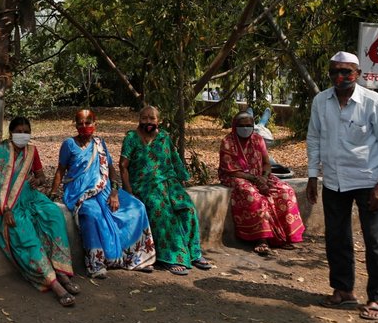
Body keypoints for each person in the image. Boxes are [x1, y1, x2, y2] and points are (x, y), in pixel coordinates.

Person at [307, 51, 378, 321]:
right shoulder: (321, 101)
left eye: (346, 72)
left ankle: (376, 298)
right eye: (334, 71)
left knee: (375, 241)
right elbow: (314, 138)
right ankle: (343, 290)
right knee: (336, 238)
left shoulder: (373, 102)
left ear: (357, 73)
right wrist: (313, 176)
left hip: (367, 181)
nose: (340, 77)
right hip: (334, 181)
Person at [0, 117, 80, 306]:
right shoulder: (2, 152)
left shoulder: (31, 151)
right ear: (11, 133)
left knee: (54, 215)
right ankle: (54, 283)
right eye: (19, 131)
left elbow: (40, 175)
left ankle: (62, 272)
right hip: (7, 204)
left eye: (26, 131)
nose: (23, 134)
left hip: (30, 196)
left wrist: (39, 180)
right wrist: (6, 209)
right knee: (25, 236)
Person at [53, 109, 156, 278]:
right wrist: (52, 193)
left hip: (106, 188)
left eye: (88, 123)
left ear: (95, 124)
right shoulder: (69, 145)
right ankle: (97, 263)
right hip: (80, 192)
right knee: (92, 214)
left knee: (137, 207)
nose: (84, 126)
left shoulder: (100, 143)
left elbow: (111, 169)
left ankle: (136, 258)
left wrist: (115, 191)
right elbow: (60, 170)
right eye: (80, 123)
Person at [119, 106, 213, 275]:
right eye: (145, 118)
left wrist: (183, 178)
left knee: (187, 208)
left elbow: (175, 159)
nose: (148, 122)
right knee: (162, 212)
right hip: (145, 185)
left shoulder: (163, 137)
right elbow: (123, 166)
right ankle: (170, 257)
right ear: (139, 120)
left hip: (168, 182)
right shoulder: (131, 138)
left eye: (152, 118)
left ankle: (193, 254)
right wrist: (129, 192)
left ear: (158, 121)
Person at [218, 112, 305, 256]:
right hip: (236, 176)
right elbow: (230, 170)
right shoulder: (228, 142)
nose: (245, 128)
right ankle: (262, 239)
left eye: (249, 125)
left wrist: (264, 177)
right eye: (242, 126)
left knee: (285, 191)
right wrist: (254, 179)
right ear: (235, 126)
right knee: (254, 197)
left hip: (260, 175)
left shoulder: (258, 140)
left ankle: (285, 236)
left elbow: (266, 164)